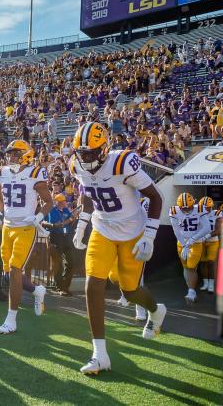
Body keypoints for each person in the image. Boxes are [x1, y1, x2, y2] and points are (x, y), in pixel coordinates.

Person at [70, 122, 166, 375]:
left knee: (130, 291)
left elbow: (156, 197)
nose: (87, 158)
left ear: (105, 148)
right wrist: (82, 224)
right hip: (102, 229)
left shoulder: (122, 163)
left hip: (132, 232)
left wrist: (150, 236)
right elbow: (87, 195)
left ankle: (156, 310)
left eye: (92, 152)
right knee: (93, 285)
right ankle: (99, 354)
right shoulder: (76, 165)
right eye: (83, 153)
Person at [0, 139, 52, 333]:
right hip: (7, 227)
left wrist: (38, 217)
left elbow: (48, 202)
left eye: (15, 154)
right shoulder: (3, 172)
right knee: (9, 272)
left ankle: (11, 319)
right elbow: (1, 196)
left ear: (26, 155)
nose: (11, 157)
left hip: (26, 228)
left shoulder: (35, 173)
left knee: (15, 269)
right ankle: (37, 290)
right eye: (10, 153)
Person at [169, 193, 211, 303]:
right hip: (181, 243)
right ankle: (190, 289)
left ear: (193, 203)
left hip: (195, 242)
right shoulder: (174, 210)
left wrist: (190, 241)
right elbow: (176, 230)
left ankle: (191, 291)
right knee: (186, 267)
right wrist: (184, 244)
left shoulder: (200, 209)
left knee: (192, 267)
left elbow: (207, 228)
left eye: (189, 207)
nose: (187, 210)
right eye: (184, 208)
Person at [43, 194, 76, 295]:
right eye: (62, 201)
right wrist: (55, 225)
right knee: (58, 264)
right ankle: (60, 287)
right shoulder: (51, 210)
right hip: (55, 237)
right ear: (58, 202)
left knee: (71, 263)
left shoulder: (66, 210)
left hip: (67, 237)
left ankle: (65, 286)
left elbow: (71, 220)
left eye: (64, 200)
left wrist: (69, 220)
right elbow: (44, 222)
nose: (65, 202)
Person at [197, 196, 219, 294]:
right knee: (202, 263)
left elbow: (218, 230)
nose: (206, 209)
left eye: (208, 207)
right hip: (200, 242)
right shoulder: (197, 213)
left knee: (211, 263)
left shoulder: (217, 213)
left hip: (213, 241)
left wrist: (205, 236)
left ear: (211, 206)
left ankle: (211, 283)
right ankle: (205, 283)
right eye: (204, 207)